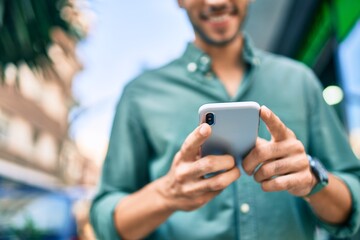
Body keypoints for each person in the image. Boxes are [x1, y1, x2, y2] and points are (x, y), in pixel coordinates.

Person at [90, 0, 360, 239]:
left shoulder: (299, 82)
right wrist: (167, 194)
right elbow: (105, 223)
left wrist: (313, 179)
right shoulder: (141, 95)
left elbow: (354, 202)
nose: (216, 2)